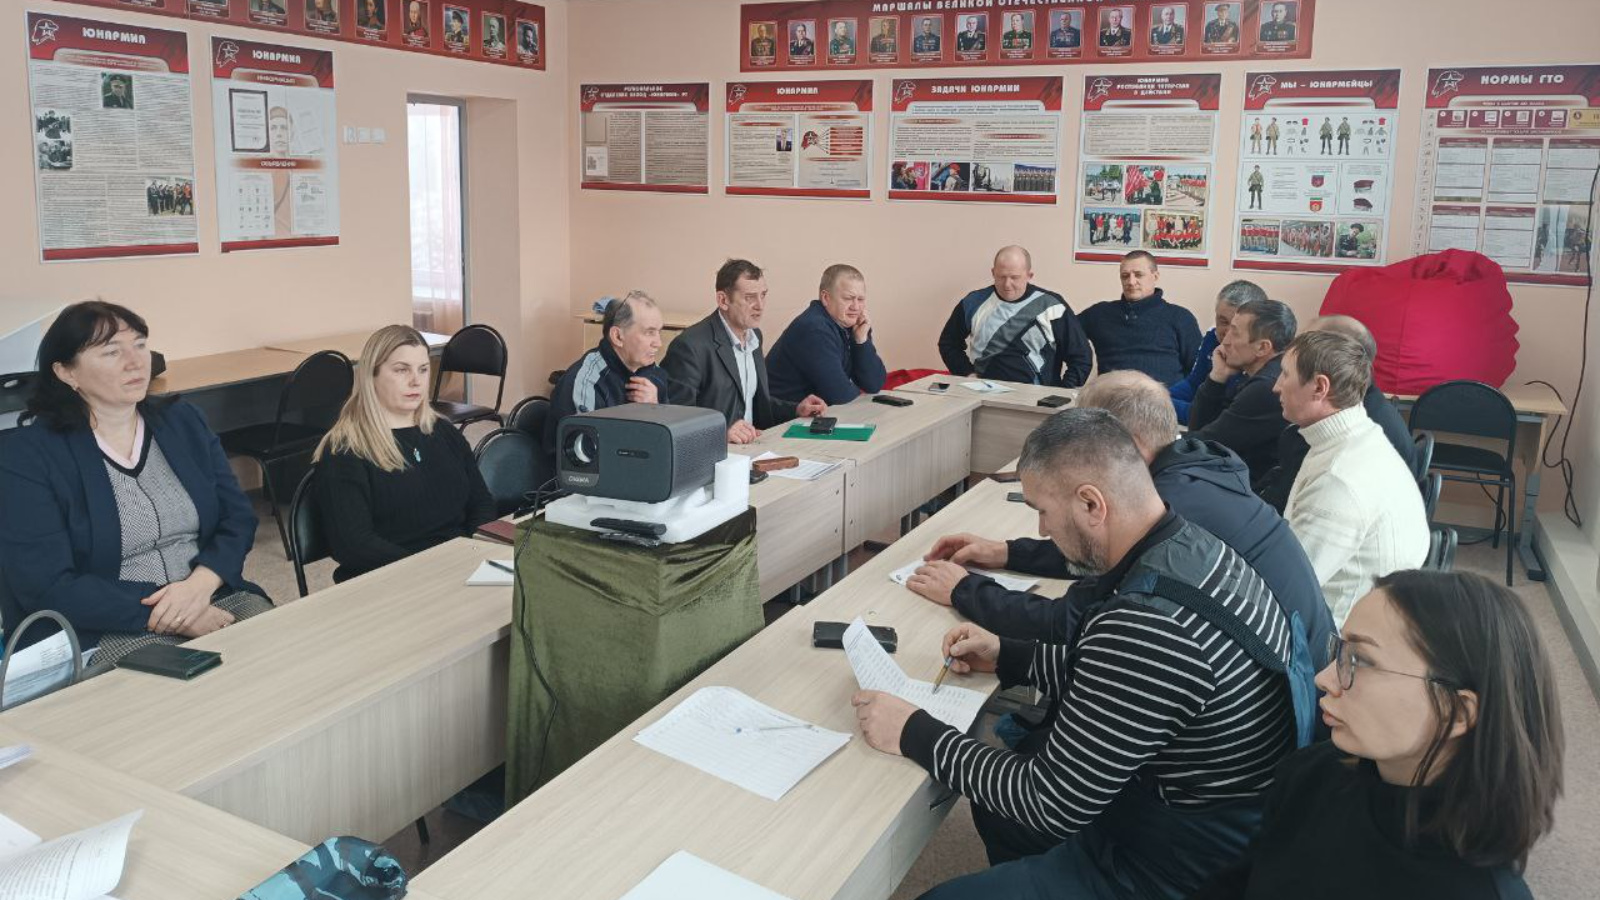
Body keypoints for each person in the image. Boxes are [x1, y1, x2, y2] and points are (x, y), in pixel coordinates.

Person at [853, 409, 1302, 898]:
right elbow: (1129, 686)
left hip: (1181, 865)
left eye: (1043, 511)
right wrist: (1009, 656)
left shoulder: (1145, 623)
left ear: (1091, 503)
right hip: (1227, 814)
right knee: (998, 808)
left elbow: (1046, 800)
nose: (1043, 530)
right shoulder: (1193, 547)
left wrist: (913, 731)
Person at [915, 369, 1333, 669]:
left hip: (1273, 703)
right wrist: (1006, 552)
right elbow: (1097, 547)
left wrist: (965, 590)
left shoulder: (1173, 505)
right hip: (1283, 673)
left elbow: (1071, 621)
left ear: (1122, 443)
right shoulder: (1191, 465)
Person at [1190, 570, 1563, 900]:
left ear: (1458, 711)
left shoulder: (1479, 891)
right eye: (1341, 652)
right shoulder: (1312, 775)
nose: (1324, 678)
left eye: (1361, 661)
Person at [0, 302, 273, 669]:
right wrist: (173, 614)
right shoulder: (27, 456)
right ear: (66, 372)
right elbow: (46, 584)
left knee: (283, 657)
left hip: (209, 593)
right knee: (193, 690)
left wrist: (200, 585)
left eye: (140, 345)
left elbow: (237, 517)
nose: (135, 362)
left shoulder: (182, 421)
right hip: (101, 625)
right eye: (112, 351)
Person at [313, 326, 494, 583]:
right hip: (391, 579)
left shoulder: (443, 431)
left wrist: (474, 550)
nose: (416, 381)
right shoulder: (346, 450)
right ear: (371, 375)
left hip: (459, 567)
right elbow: (354, 545)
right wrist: (432, 570)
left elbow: (481, 502)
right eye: (401, 370)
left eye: (423, 369)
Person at [1274, 332, 1429, 626]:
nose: (1276, 386)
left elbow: (1287, 585)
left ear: (1319, 387)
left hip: (1337, 635)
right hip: (1355, 613)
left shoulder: (1338, 479)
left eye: (1285, 375)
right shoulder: (1354, 436)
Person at [1255, 315, 1415, 511]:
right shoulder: (1358, 405)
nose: (1277, 386)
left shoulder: (1350, 431)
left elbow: (1283, 510)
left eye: (1309, 346)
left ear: (1339, 356)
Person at [660, 259, 826, 444]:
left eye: (763, 295)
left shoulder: (754, 337)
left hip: (751, 447)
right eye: (750, 297)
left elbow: (755, 405)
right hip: (714, 452)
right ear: (723, 300)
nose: (760, 305)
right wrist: (721, 433)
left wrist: (796, 410)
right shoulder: (690, 346)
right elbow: (675, 418)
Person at [937, 246, 1091, 387]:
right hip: (983, 393)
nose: (1007, 284)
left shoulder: (1052, 305)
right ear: (993, 273)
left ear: (1029, 275)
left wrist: (1061, 393)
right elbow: (948, 343)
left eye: (1014, 277)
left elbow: (1081, 357)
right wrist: (967, 374)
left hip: (1037, 398)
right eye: (1001, 277)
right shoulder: (973, 302)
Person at [1189, 298, 1295, 483]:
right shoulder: (1261, 374)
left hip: (1249, 488)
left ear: (1262, 347)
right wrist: (1217, 377)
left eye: (1235, 333)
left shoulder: (1266, 387)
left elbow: (1203, 443)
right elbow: (1201, 431)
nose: (1225, 341)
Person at [547, 292, 669, 450]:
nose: (658, 343)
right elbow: (586, 454)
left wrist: (655, 409)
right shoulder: (586, 382)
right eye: (649, 332)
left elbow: (669, 441)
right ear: (617, 336)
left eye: (659, 332)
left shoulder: (655, 374)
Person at [766, 264, 887, 405]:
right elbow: (840, 395)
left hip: (818, 412)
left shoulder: (852, 324)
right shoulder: (813, 329)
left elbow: (873, 384)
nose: (856, 307)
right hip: (785, 415)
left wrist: (861, 341)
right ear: (825, 298)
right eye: (848, 298)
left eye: (860, 299)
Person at [1078, 251, 1202, 385]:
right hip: (1111, 395)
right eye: (1125, 276)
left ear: (1155, 276)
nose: (1131, 282)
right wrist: (1071, 380)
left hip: (1164, 396)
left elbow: (1198, 371)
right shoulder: (1099, 314)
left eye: (1138, 275)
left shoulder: (1180, 317)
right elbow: (1065, 331)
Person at [1170, 280, 1263, 421]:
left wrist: (1161, 405)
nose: (1227, 333)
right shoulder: (1212, 338)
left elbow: (1219, 418)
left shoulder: (1259, 359)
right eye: (1223, 322)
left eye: (1236, 328)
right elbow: (1193, 384)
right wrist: (1160, 397)